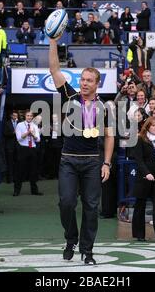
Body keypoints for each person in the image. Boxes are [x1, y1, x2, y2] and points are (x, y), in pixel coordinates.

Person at [49, 36, 114, 265]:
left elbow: (109, 135)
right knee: (66, 203)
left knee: (91, 207)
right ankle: (70, 239)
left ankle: (87, 250)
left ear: (97, 84)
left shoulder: (106, 106)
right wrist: (53, 41)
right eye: (82, 79)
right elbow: (54, 69)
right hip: (68, 159)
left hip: (92, 162)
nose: (84, 83)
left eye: (89, 80)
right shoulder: (69, 95)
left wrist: (106, 163)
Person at [131, 117, 155, 242]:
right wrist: (146, 173)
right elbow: (139, 159)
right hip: (144, 177)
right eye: (153, 125)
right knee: (140, 206)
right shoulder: (141, 139)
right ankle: (139, 234)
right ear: (147, 126)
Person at [14, 110, 42, 196]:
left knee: (33, 171)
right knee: (20, 170)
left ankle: (34, 191)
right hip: (23, 149)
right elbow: (19, 138)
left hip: (32, 149)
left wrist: (33, 134)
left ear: (32, 117)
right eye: (28, 116)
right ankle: (16, 191)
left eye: (31, 116)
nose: (29, 117)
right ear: (25, 117)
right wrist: (27, 133)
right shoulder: (20, 125)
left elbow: (38, 139)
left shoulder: (35, 126)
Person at [3, 111, 19, 184]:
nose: (15, 117)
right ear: (11, 116)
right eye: (14, 115)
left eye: (16, 115)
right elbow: (5, 133)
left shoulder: (20, 123)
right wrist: (13, 133)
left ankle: (16, 178)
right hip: (9, 146)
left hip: (17, 145)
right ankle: (10, 179)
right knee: (9, 163)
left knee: (16, 162)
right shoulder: (7, 123)